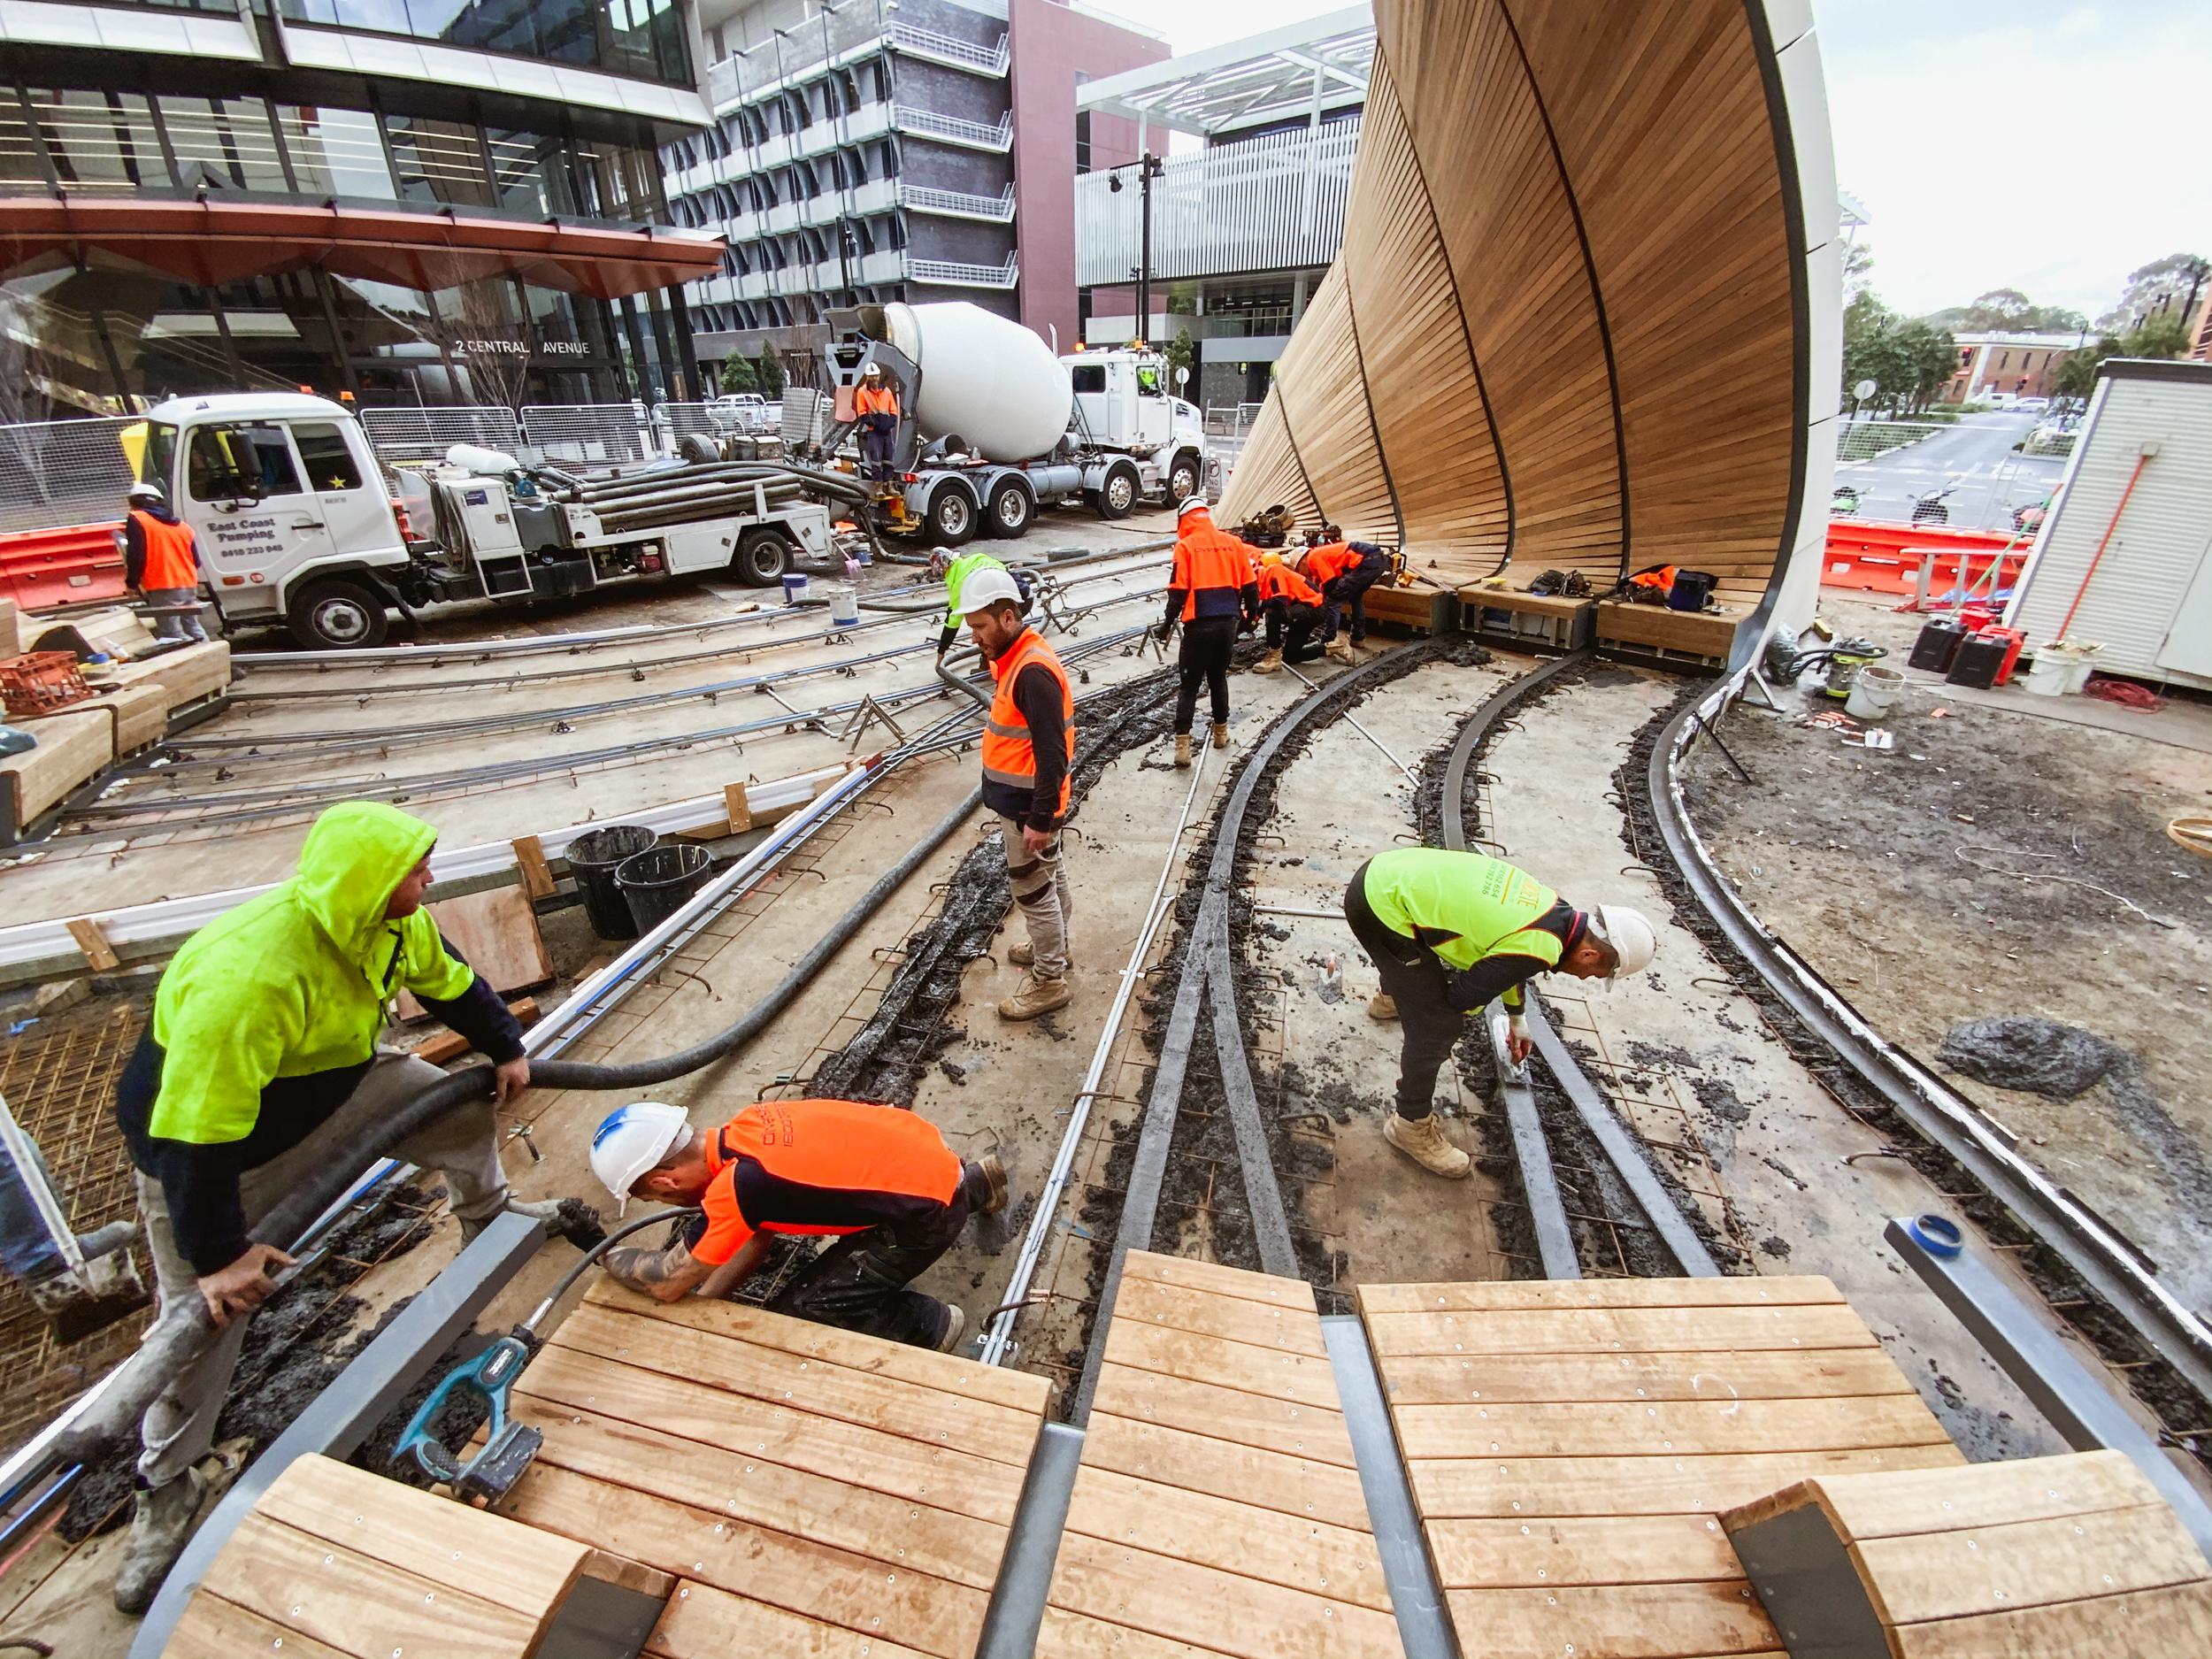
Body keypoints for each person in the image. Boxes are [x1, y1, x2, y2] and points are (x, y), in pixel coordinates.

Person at [109, 800, 569, 1611]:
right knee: (209, 1315)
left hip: (329, 1086)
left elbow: (452, 981)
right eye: (413, 871)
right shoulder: (250, 974)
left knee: (454, 1107)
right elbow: (195, 1131)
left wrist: (505, 1046)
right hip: (212, 1145)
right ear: (365, 885)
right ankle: (169, 1483)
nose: (428, 879)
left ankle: (490, 1219)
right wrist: (220, 1254)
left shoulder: (391, 923)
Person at [588, 1098, 1006, 1351]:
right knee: (884, 1188)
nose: (666, 1200)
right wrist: (708, 1301)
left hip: (925, 1219)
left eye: (656, 1197)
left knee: (805, 1309)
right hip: (935, 1160)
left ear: (665, 1181)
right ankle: (977, 1183)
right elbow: (756, 1238)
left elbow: (664, 1281)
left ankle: (931, 1325)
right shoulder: (751, 1124)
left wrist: (600, 1249)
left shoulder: (737, 1188)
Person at [1344, 848, 1657, 1179]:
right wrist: (1433, 1007)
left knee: (1423, 974)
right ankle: (1409, 1124)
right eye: (1594, 974)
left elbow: (1509, 957)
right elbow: (1462, 997)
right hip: (1377, 908)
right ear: (1590, 955)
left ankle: (1393, 996)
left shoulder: (1553, 909)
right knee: (1439, 1026)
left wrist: (1517, 1017)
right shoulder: (1540, 947)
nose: (1585, 978)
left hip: (1386, 871)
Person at [964, 567, 1077, 1021]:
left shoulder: (1031, 672)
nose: (974, 637)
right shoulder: (1018, 658)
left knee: (1032, 891)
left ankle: (1050, 979)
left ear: (1008, 617)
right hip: (1030, 804)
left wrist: (1040, 818)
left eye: (980, 626)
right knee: (1052, 877)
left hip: (1030, 807)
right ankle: (1055, 947)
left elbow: (1053, 755)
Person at [1156, 497, 1257, 768]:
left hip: (1198, 626)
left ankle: (1182, 748)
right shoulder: (1234, 543)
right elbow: (1251, 586)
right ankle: (1221, 735)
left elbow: (1177, 592)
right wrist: (1249, 619)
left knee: (1189, 686)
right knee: (1218, 678)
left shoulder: (1186, 546)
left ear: (1184, 520)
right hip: (1227, 625)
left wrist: (1166, 625)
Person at [122, 482, 208, 643]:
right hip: (188, 582)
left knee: (172, 634)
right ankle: (212, 657)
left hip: (162, 583)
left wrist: (132, 583)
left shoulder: (138, 519)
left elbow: (136, 554)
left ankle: (189, 662)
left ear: (134, 503)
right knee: (193, 627)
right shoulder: (183, 526)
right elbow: (195, 560)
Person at [1304, 527, 1391, 661]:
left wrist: (1323, 599)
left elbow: (1331, 583)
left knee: (1333, 600)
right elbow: (1329, 579)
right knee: (1356, 597)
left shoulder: (1313, 557)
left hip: (1365, 561)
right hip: (1378, 560)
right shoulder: (1325, 554)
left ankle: (1329, 641)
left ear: (1302, 561)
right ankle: (1358, 638)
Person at [1252, 550, 1328, 675]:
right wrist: (1252, 619)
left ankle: (1274, 657)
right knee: (1291, 657)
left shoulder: (1274, 570)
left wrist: (1261, 606)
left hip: (1314, 609)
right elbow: (1261, 608)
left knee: (1272, 613)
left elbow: (1279, 601)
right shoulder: (1265, 582)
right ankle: (1332, 647)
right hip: (1303, 611)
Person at [929, 547, 1010, 660]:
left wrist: (942, 649)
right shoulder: (971, 561)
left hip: (1007, 598)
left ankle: (993, 662)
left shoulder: (959, 582)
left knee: (991, 633)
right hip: (1016, 588)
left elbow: (954, 619)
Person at [853, 362, 900, 481]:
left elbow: (893, 410)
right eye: (871, 376)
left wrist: (890, 423)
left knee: (888, 459)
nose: (874, 378)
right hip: (874, 431)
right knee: (876, 460)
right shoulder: (863, 392)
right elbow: (862, 413)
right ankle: (878, 484)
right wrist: (876, 424)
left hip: (886, 431)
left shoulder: (886, 391)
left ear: (879, 376)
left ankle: (888, 483)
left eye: (876, 376)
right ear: (867, 377)